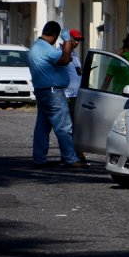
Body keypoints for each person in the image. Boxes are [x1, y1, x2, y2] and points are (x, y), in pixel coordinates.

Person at [28, 21, 85, 168]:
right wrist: (66, 40)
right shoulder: (46, 49)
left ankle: (39, 159)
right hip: (53, 93)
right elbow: (65, 59)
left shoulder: (35, 47)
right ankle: (71, 159)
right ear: (54, 35)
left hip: (42, 92)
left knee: (42, 127)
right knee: (64, 127)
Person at [63, 28, 89, 166]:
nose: (78, 42)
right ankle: (73, 155)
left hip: (77, 94)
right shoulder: (62, 52)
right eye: (75, 39)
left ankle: (75, 153)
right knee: (70, 126)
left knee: (76, 126)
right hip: (68, 94)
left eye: (79, 40)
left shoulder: (75, 55)